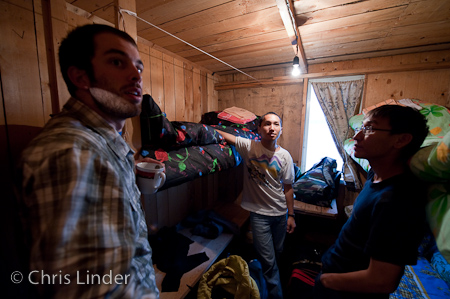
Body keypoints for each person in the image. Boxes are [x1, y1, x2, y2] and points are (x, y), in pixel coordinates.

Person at [15, 24, 160, 298]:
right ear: (80, 77)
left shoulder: (103, 144)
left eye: (138, 67)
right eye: (118, 62)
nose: (136, 76)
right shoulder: (74, 153)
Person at [314, 105, 429, 299]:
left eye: (369, 129)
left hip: (347, 291)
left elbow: (382, 281)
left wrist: (326, 281)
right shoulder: (375, 174)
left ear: (401, 139)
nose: (356, 136)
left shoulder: (397, 200)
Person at [215, 112, 296, 299]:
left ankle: (268, 285)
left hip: (280, 214)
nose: (272, 128)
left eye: (276, 124)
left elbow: (288, 188)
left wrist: (291, 215)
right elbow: (226, 136)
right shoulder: (249, 147)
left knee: (277, 254)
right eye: (267, 124)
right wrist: (208, 129)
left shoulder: (285, 156)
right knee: (269, 263)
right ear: (259, 128)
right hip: (259, 216)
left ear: (281, 129)